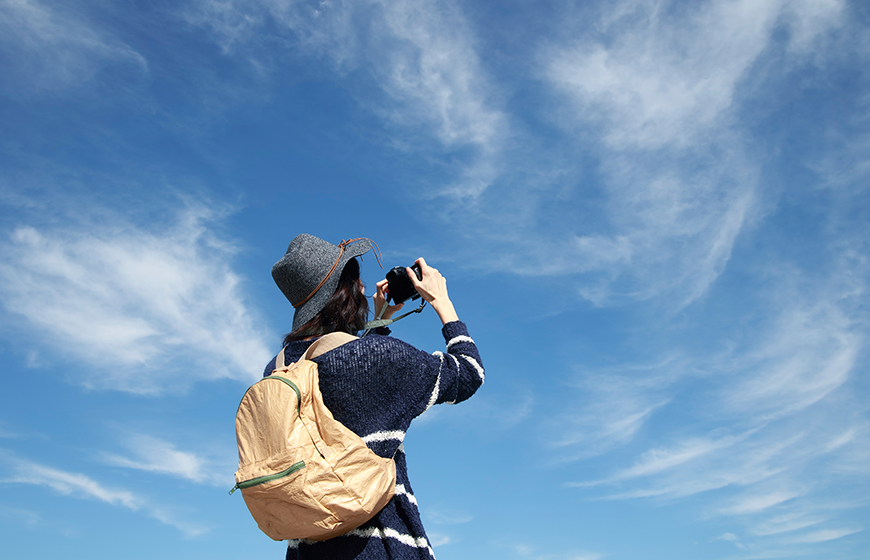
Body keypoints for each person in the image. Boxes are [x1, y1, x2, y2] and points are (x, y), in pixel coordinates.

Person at [265, 234, 485, 560]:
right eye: (357, 281)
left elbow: (344, 382)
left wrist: (378, 324)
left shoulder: (278, 370)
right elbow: (468, 373)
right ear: (345, 292)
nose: (364, 289)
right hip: (381, 548)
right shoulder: (376, 357)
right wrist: (442, 302)